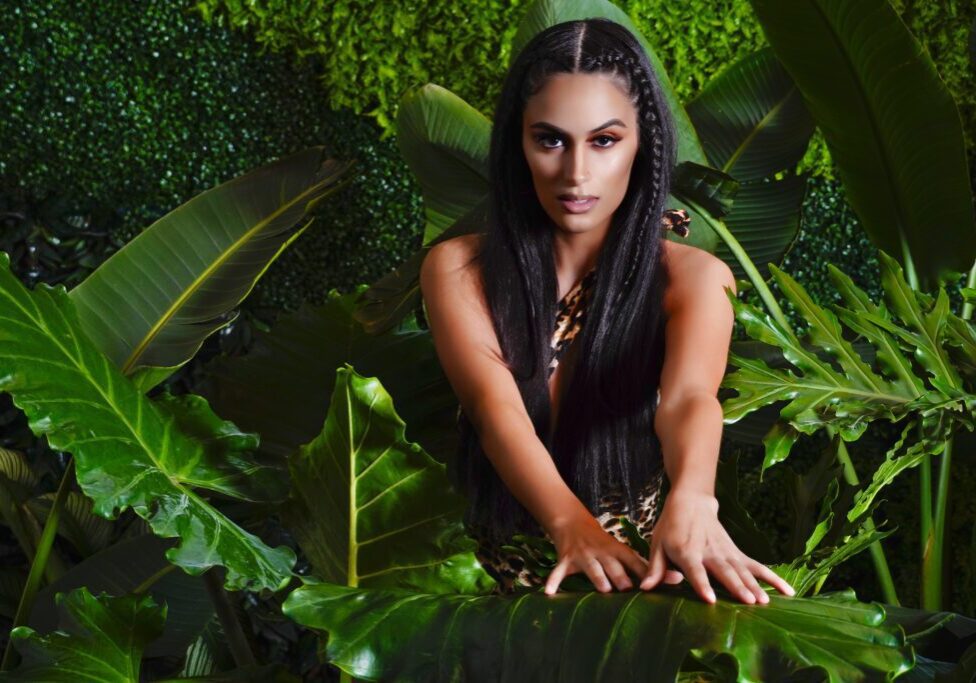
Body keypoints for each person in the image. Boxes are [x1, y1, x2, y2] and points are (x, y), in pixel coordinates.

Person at [419, 17, 795, 605]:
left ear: (642, 142)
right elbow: (495, 408)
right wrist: (573, 528)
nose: (576, 173)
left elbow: (691, 399)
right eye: (550, 140)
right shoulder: (458, 268)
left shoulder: (694, 278)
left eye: (604, 140)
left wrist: (695, 497)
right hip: (489, 585)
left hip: (641, 576)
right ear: (518, 145)